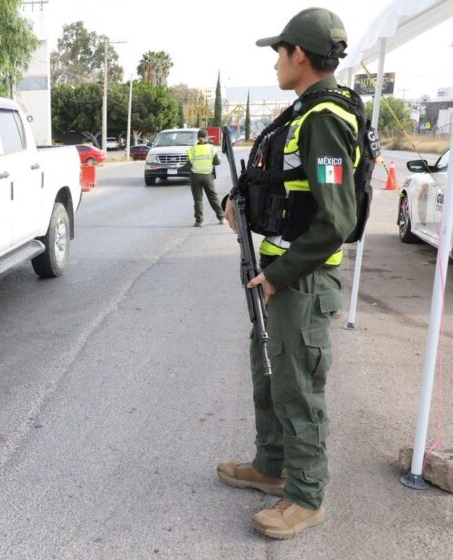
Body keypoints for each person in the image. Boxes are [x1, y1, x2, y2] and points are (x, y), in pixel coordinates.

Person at [219, 8, 359, 539]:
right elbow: (286, 188)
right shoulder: (303, 113)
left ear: (299, 54)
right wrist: (243, 201)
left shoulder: (324, 120)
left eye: (279, 52)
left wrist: (282, 274)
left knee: (297, 387)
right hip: (280, 275)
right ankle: (272, 467)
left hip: (301, 281)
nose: (276, 62)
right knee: (270, 374)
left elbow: (337, 220)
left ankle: (305, 494)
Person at [186, 129, 224, 227]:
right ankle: (221, 217)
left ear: (197, 138)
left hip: (195, 176)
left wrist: (178, 169)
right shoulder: (211, 148)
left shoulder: (193, 149)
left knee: (198, 200)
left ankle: (199, 221)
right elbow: (218, 162)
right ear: (207, 137)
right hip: (208, 176)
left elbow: (188, 165)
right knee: (213, 197)